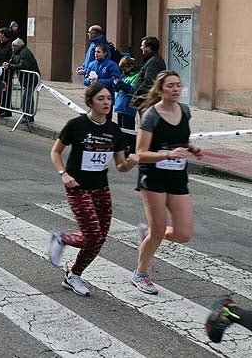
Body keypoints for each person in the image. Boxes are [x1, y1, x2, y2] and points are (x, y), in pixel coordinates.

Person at [47, 84, 137, 296]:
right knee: (92, 236)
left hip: (101, 188)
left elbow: (120, 166)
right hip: (77, 187)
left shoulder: (114, 130)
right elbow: (55, 152)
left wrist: (131, 163)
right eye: (101, 99)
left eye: (108, 98)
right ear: (90, 102)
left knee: (100, 238)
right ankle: (62, 239)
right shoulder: (76, 125)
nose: (106, 102)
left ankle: (73, 275)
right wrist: (64, 174)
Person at [132, 70, 203, 295]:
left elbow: (179, 138)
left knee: (184, 233)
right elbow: (140, 153)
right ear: (160, 89)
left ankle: (150, 234)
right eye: (170, 85)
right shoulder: (151, 116)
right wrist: (168, 155)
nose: (175, 89)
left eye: (178, 85)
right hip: (153, 176)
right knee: (159, 230)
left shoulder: (184, 111)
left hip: (177, 176)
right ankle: (140, 274)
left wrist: (191, 148)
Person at [7, 38, 39, 123]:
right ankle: (26, 115)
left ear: (18, 46)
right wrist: (9, 64)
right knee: (26, 96)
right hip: (25, 79)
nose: (12, 47)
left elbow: (24, 65)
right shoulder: (16, 52)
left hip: (31, 79)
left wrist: (10, 66)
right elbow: (13, 60)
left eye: (14, 46)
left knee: (27, 97)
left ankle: (29, 116)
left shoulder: (24, 53)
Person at [131, 36, 166, 110]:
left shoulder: (153, 62)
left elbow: (149, 81)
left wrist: (137, 95)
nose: (141, 48)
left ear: (149, 48)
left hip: (147, 101)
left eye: (142, 46)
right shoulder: (152, 60)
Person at [113, 56, 140, 134]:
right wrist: (116, 85)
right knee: (120, 131)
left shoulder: (136, 76)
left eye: (125, 69)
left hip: (128, 108)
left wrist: (122, 84)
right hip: (120, 106)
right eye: (122, 70)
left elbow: (133, 91)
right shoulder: (124, 75)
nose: (124, 71)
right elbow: (119, 90)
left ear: (131, 66)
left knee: (128, 132)